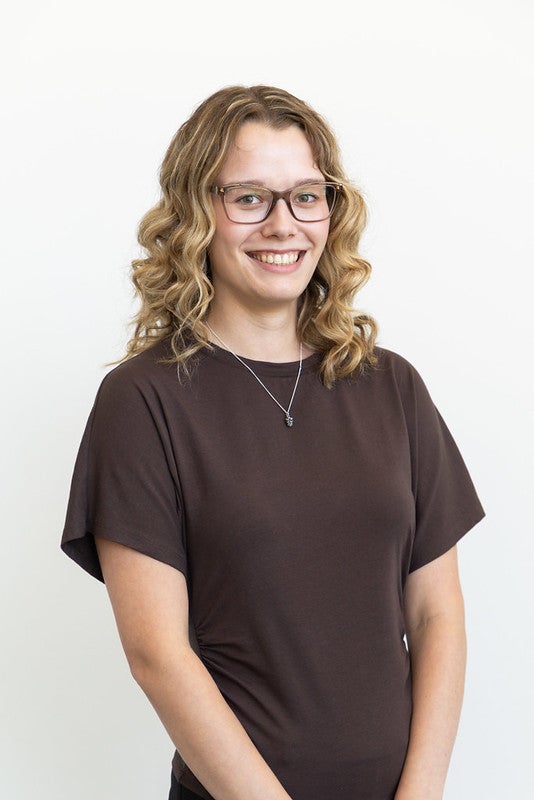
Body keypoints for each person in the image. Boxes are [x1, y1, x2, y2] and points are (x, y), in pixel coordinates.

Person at [61, 85, 485, 800]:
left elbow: (436, 613)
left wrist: (421, 795)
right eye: (249, 198)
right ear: (198, 211)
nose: (284, 225)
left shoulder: (391, 387)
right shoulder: (143, 401)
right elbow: (156, 654)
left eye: (306, 196)